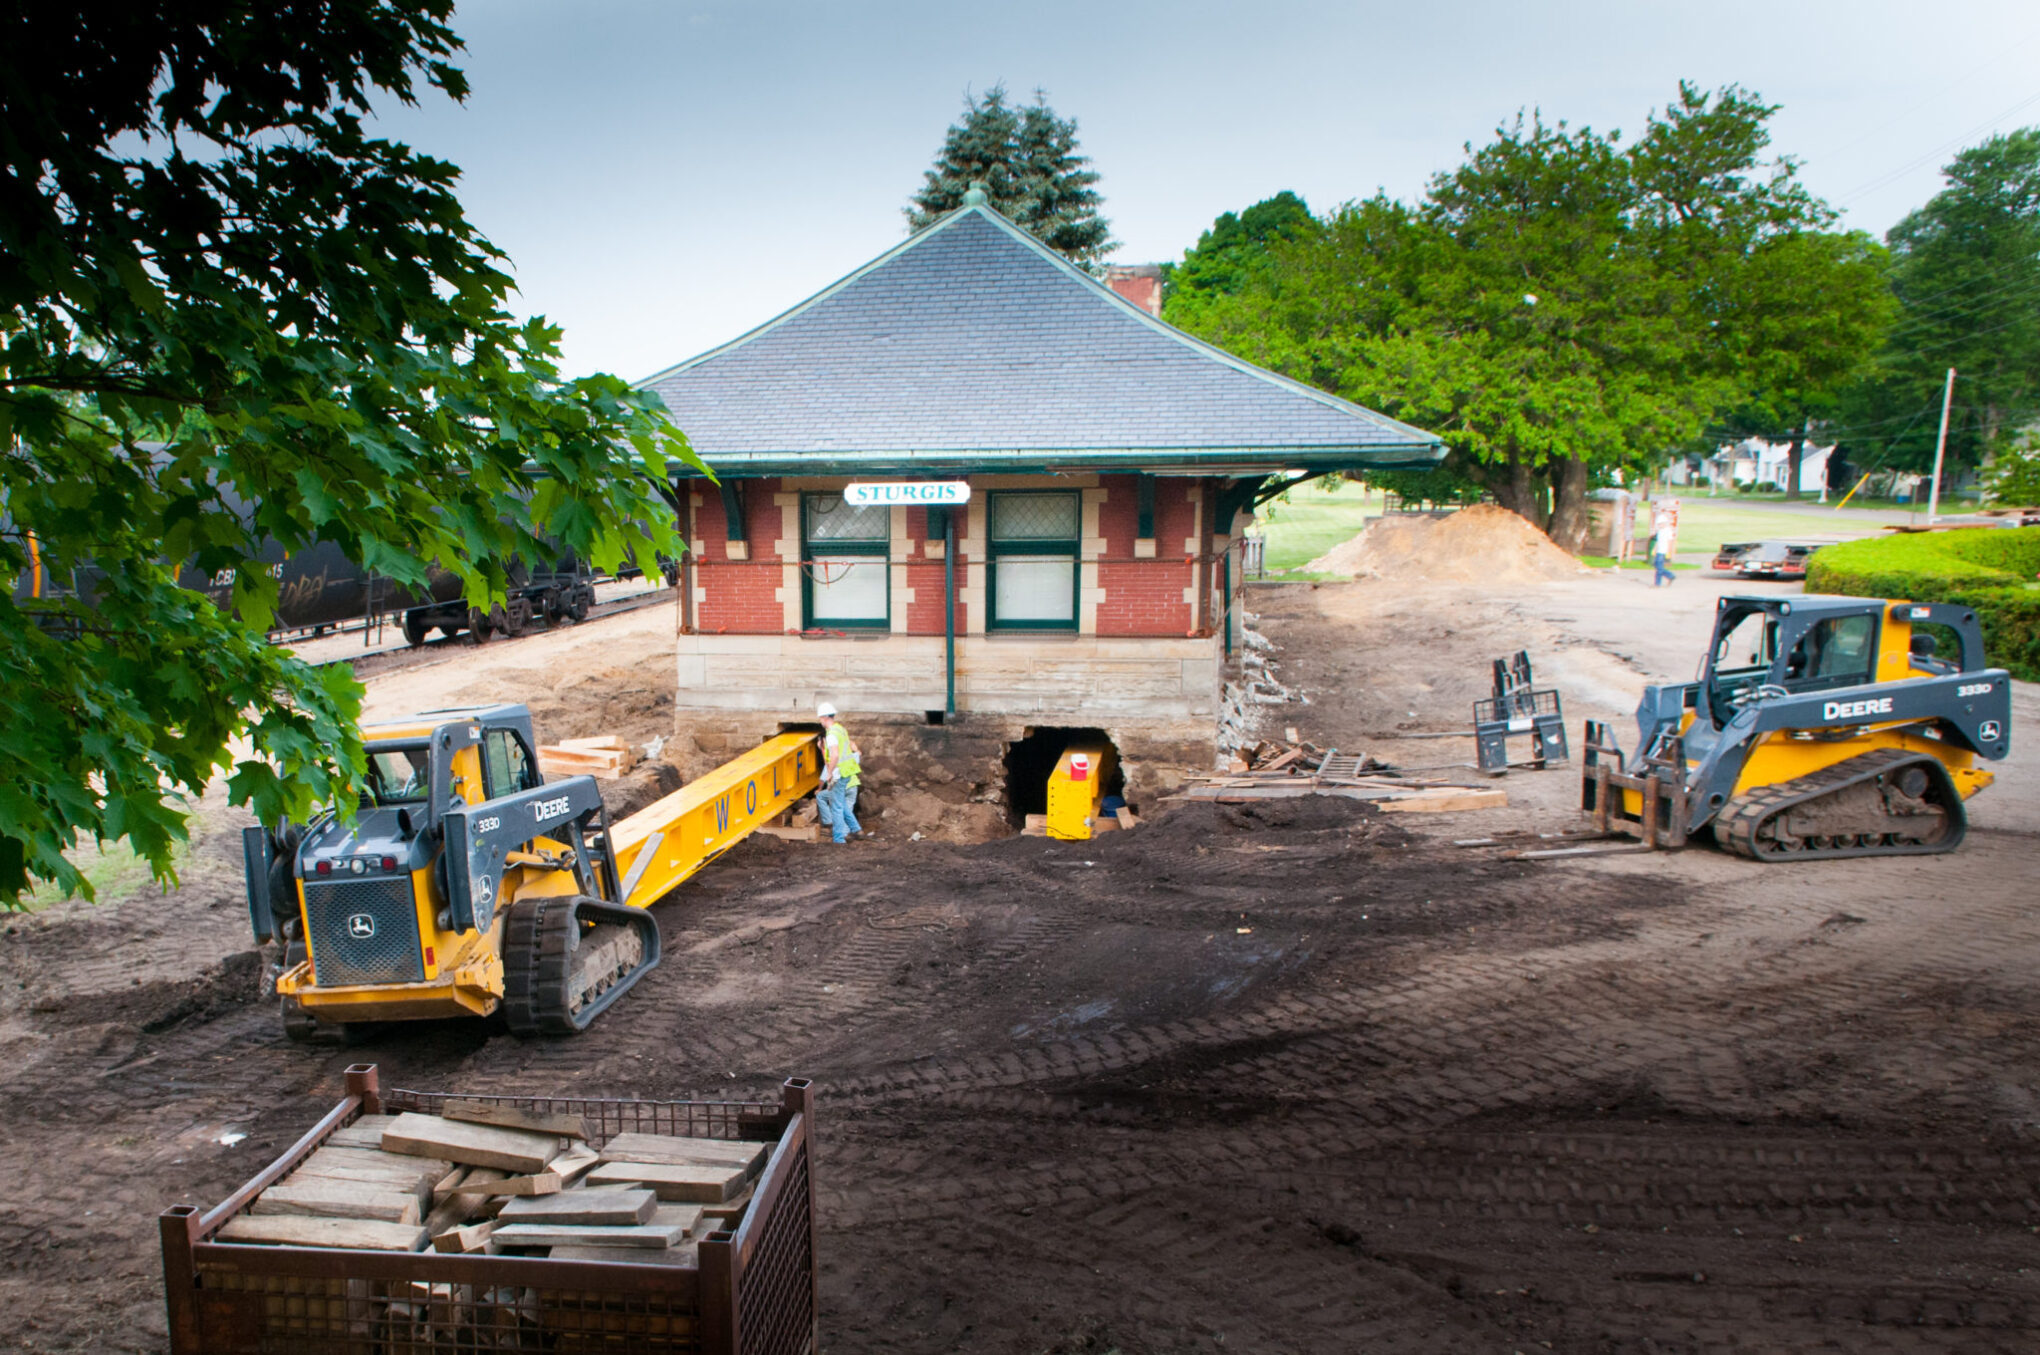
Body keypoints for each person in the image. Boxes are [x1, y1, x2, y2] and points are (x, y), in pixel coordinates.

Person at [815, 702, 863, 844]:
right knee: (840, 802)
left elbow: (835, 755)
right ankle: (856, 828)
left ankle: (839, 839)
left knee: (836, 806)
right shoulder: (840, 729)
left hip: (839, 772)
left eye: (820, 718)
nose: (820, 721)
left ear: (824, 717)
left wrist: (829, 773)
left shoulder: (831, 734)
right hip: (847, 771)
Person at [1648, 513, 1676, 588]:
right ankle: (1670, 575)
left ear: (1665, 523)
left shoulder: (1668, 531)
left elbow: (1670, 542)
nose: (1660, 525)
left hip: (1663, 551)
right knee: (1657, 566)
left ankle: (1657, 583)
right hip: (1658, 551)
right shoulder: (1659, 531)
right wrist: (1654, 549)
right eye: (1659, 524)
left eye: (1661, 524)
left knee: (1659, 568)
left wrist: (1669, 552)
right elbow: (1658, 541)